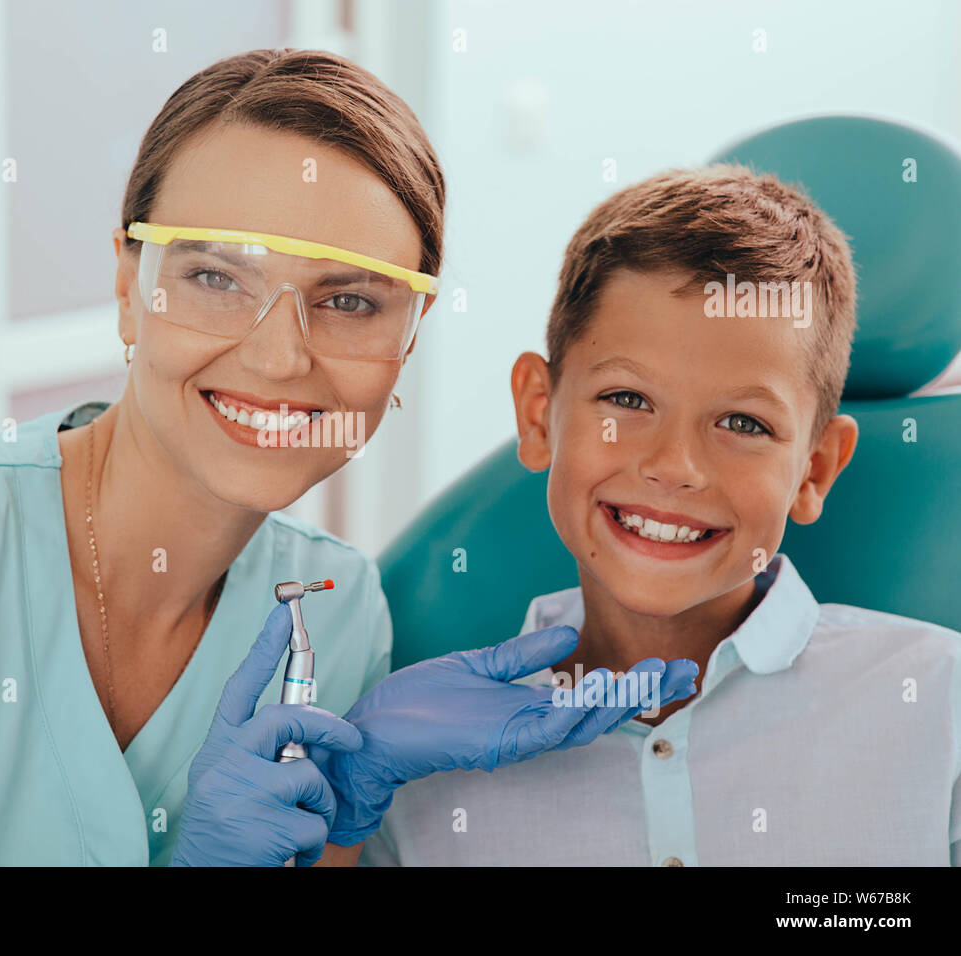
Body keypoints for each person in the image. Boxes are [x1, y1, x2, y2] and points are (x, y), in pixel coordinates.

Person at [0, 48, 693, 867]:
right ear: (126, 284)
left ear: (406, 339)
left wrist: (356, 825)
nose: (281, 354)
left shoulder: (336, 611)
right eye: (214, 278)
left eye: (349, 301)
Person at [360, 165, 961, 866]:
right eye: (628, 400)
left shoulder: (940, 708)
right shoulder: (419, 768)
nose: (676, 465)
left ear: (816, 469)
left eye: (742, 421)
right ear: (537, 414)